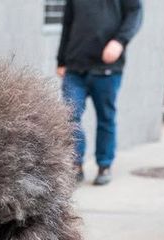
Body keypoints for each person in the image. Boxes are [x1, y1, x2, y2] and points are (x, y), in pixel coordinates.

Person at [56, 0, 143, 186]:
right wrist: (61, 59)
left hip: (106, 69)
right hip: (75, 67)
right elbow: (68, 22)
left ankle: (104, 164)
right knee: (69, 117)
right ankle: (75, 164)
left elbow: (135, 12)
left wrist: (120, 41)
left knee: (106, 118)